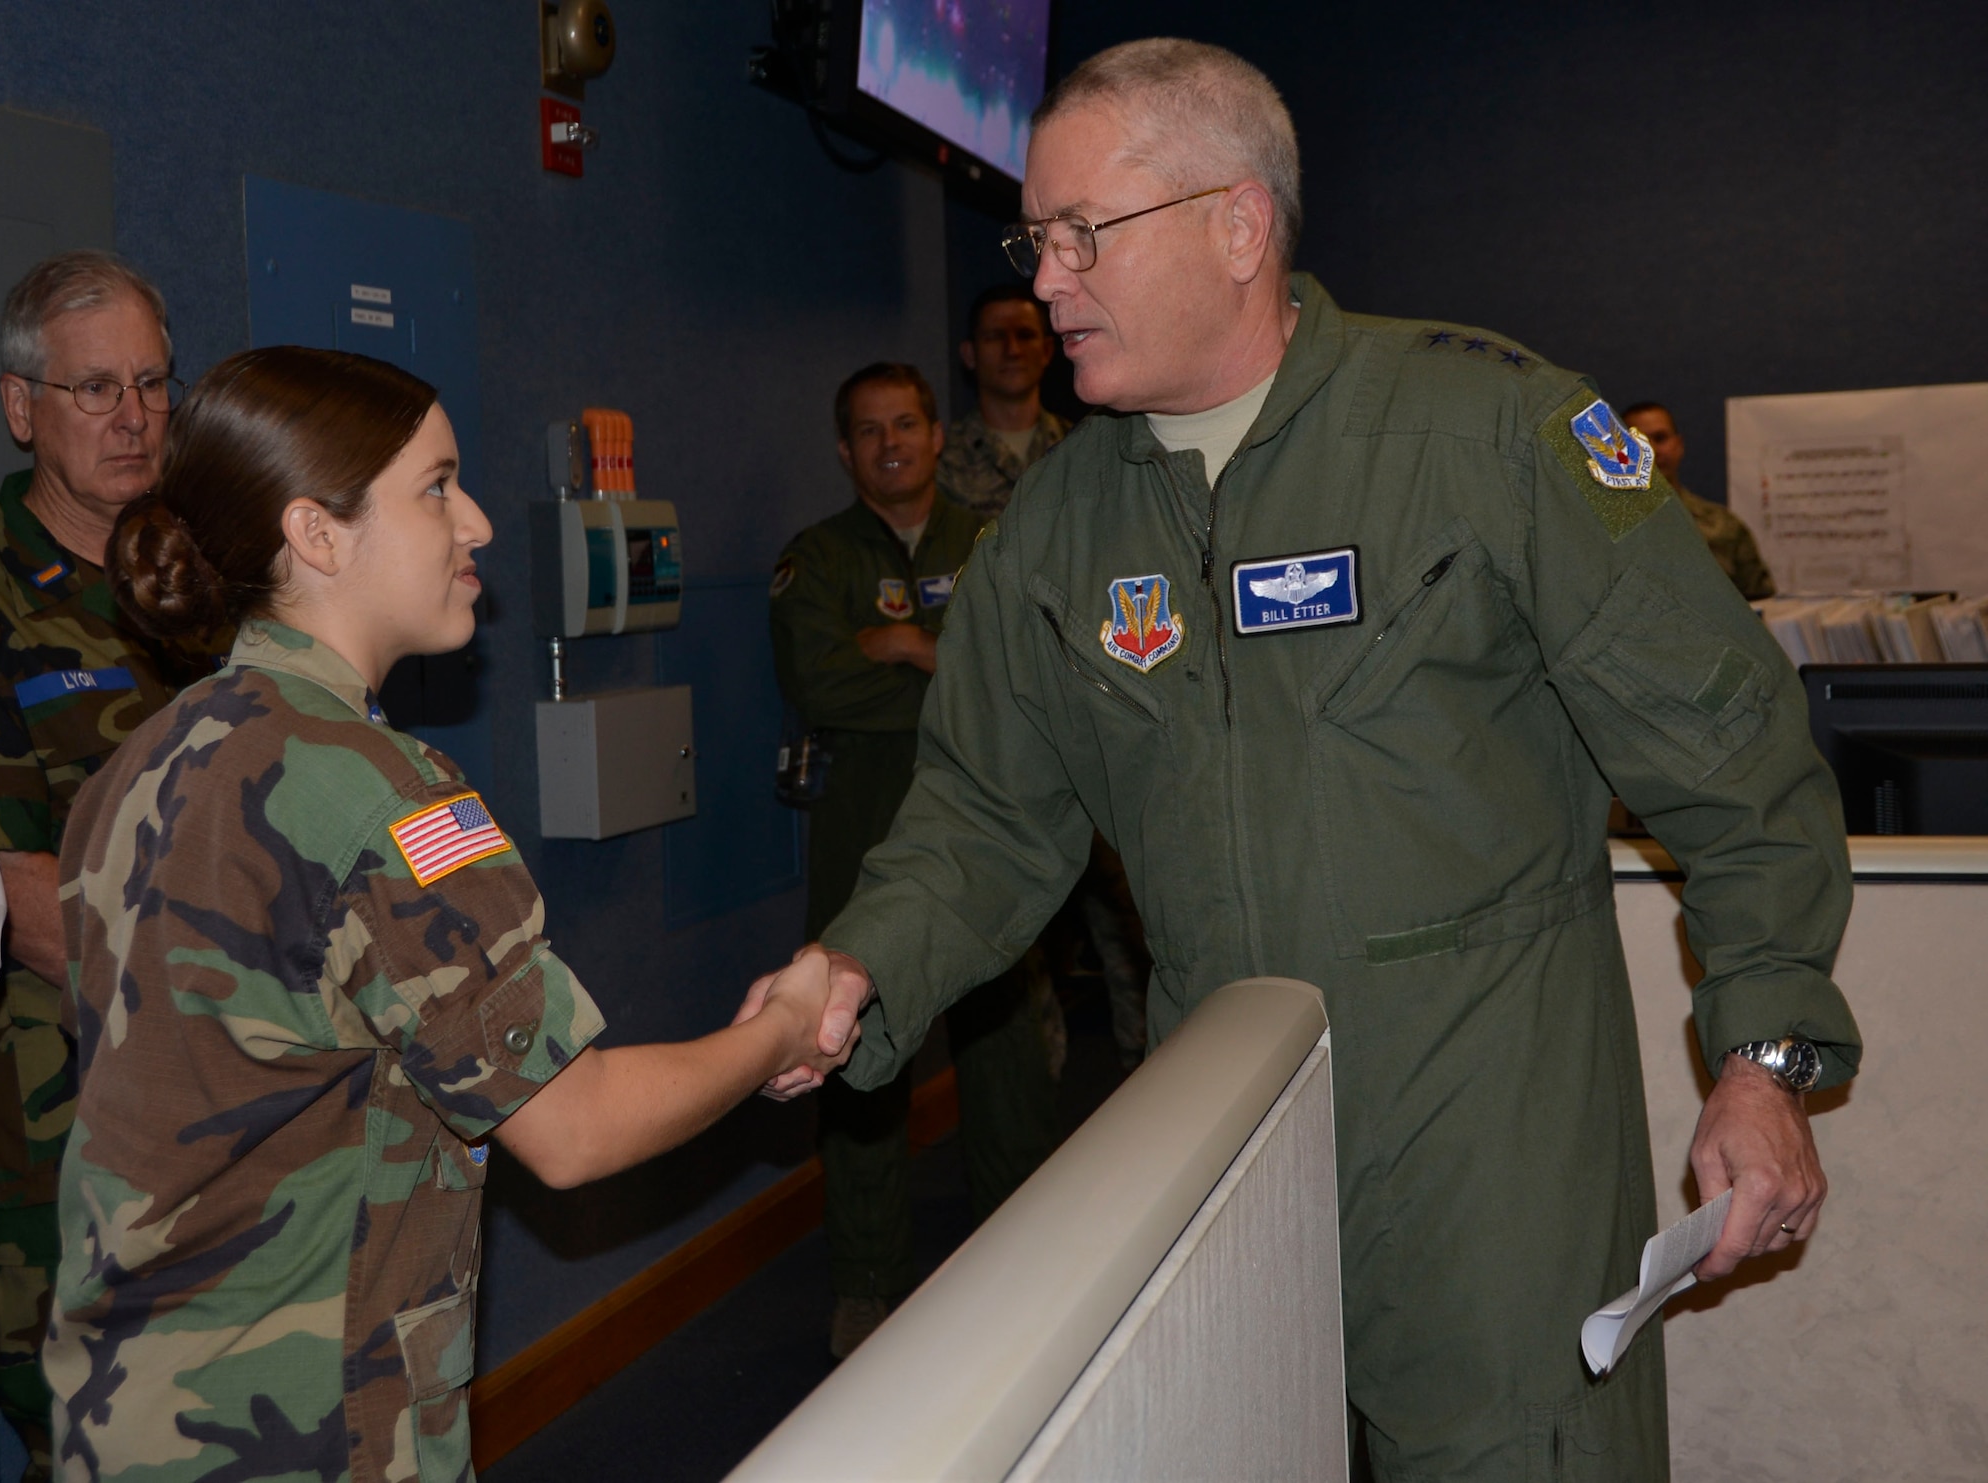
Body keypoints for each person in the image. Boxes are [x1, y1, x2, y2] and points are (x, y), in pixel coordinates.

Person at [746, 39, 1861, 1481]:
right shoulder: (1059, 527)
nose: (1045, 280)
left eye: (1087, 234)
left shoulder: (1487, 432)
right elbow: (982, 818)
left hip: (1490, 1159)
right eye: (1037, 237)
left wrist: (1764, 1059)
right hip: (1235, 1148)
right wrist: (855, 971)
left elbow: (1737, 757)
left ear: (1237, 224)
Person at [45, 346, 847, 1481]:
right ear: (318, 536)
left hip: (116, 1418)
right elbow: (571, 1129)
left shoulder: (136, 766)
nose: (473, 523)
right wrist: (782, 1027)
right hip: (305, 1431)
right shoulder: (382, 794)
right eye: (435, 486)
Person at [0, 251, 223, 1478]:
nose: (134, 417)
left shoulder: (203, 578)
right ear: (22, 407)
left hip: (232, 1090)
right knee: (88, 1428)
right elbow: (29, 910)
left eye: (151, 382)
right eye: (94, 390)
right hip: (66, 1111)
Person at [769, 363, 1058, 1359]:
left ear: (939, 436)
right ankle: (865, 1282)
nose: (889, 441)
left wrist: (904, 646)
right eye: (866, 429)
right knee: (852, 1058)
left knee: (1006, 1052)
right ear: (845, 452)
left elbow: (1024, 674)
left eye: (906, 423)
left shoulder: (992, 546)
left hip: (986, 828)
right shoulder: (815, 560)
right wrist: (950, 665)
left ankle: (1025, 1265)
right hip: (863, 834)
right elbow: (820, 685)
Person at [938, 283, 1072, 517]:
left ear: (1047, 350)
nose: (1012, 350)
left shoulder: (1078, 446)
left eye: (1025, 335)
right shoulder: (942, 461)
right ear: (970, 354)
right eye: (995, 337)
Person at [1623, 401, 1777, 599]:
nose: (1650, 450)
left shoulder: (1724, 526)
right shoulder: (1599, 529)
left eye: (1660, 438)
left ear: (1679, 445)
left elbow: (1760, 602)